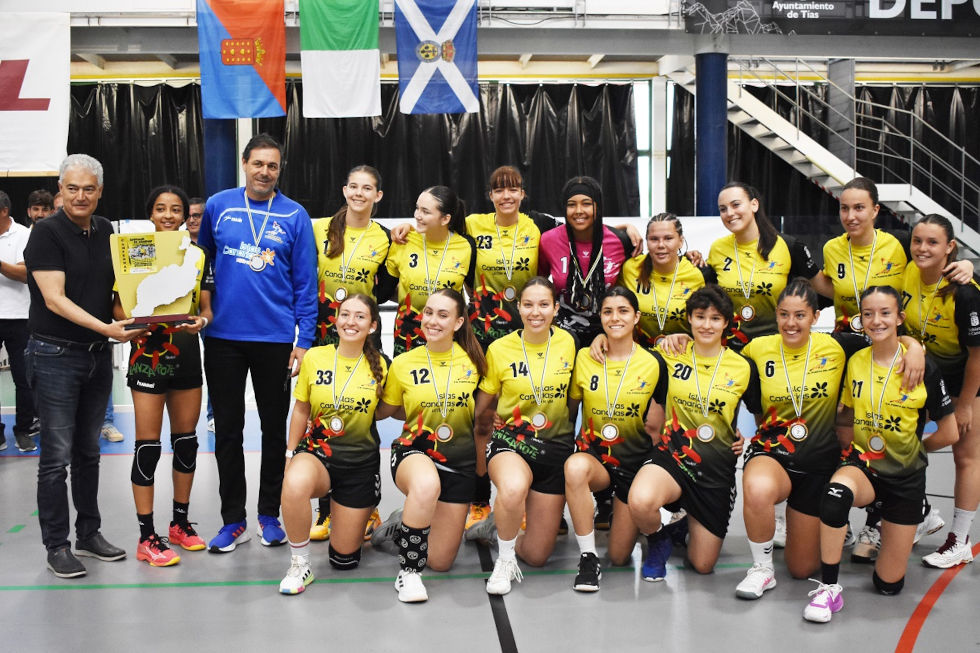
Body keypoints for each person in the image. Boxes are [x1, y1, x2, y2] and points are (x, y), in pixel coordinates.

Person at [809, 178, 967, 559]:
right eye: (844, 208)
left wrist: (963, 265)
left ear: (876, 210)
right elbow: (828, 287)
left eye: (859, 207)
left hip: (894, 350)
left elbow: (929, 265)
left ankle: (887, 518)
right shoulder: (832, 249)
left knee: (893, 432)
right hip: (851, 350)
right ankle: (854, 517)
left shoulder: (898, 247)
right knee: (845, 433)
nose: (851, 215)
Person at [803, 285, 958, 623]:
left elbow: (950, 433)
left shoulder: (923, 368)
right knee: (835, 495)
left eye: (885, 313)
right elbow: (846, 416)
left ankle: (907, 521)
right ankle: (828, 589)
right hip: (864, 467)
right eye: (868, 314)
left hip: (905, 478)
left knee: (888, 584)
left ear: (900, 318)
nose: (876, 320)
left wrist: (913, 451)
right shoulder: (856, 361)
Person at [24, 153, 144, 578]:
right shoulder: (46, 233)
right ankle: (56, 545)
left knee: (89, 453)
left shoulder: (106, 229)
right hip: (54, 355)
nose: (80, 196)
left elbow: (118, 287)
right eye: (72, 188)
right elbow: (54, 299)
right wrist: (107, 328)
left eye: (88, 189)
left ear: (100, 192)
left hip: (95, 356)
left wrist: (141, 315)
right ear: (61, 190)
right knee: (56, 458)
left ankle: (89, 534)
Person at [197, 133, 318, 553]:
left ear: (279, 170)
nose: (265, 172)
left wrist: (304, 339)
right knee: (228, 430)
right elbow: (200, 266)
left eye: (272, 165)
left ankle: (269, 514)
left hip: (275, 340)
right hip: (223, 338)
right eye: (258, 163)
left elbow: (305, 282)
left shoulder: (295, 215)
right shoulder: (219, 206)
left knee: (273, 431)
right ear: (245, 163)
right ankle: (233, 520)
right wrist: (201, 312)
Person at [628, 285, 761, 582]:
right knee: (640, 500)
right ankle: (659, 538)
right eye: (700, 317)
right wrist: (601, 338)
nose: (706, 325)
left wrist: (746, 440)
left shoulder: (743, 367)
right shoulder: (669, 355)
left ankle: (682, 522)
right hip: (673, 458)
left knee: (702, 565)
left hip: (715, 472)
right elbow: (626, 352)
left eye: (715, 319)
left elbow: (760, 416)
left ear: (726, 323)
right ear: (689, 318)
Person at [113, 186, 213, 567]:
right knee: (148, 447)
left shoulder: (198, 255)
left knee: (186, 443)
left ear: (186, 215)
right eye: (161, 209)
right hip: (147, 357)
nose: (169, 215)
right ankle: (146, 536)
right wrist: (137, 316)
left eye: (176, 209)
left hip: (186, 357)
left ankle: (180, 524)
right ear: (150, 214)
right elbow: (118, 306)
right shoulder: (134, 251)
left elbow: (206, 309)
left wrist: (201, 322)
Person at [735, 278, 847, 599]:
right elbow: (714, 357)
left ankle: (799, 523)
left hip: (817, 465)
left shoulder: (837, 347)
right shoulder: (757, 349)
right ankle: (762, 569)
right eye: (784, 314)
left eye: (800, 315)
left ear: (815, 317)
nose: (790, 323)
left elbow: (886, 339)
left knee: (801, 569)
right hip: (773, 454)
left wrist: (914, 349)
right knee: (758, 488)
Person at [372, 288, 486, 602]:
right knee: (425, 485)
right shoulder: (403, 363)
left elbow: (487, 412)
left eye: (443, 315)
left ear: (459, 322)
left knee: (440, 561)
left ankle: (403, 524)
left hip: (459, 464)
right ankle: (409, 573)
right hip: (414, 451)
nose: (432, 320)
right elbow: (387, 410)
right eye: (429, 312)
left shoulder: (476, 361)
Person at [469, 277, 577, 594]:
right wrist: (487, 427)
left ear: (555, 309)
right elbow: (482, 409)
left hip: (554, 449)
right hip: (511, 443)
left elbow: (573, 401)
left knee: (537, 555)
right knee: (513, 487)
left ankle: (497, 527)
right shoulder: (500, 349)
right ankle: (504, 562)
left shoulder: (569, 342)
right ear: (518, 307)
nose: (535, 312)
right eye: (528, 304)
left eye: (544, 304)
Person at [279, 294, 387, 594]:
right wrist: (290, 454)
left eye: (360, 316)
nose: (351, 322)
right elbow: (301, 409)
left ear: (372, 326)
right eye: (345, 314)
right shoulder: (315, 357)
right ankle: (299, 564)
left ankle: (378, 522)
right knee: (294, 482)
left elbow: (392, 408)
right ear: (336, 319)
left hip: (359, 465)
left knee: (344, 560)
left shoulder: (382, 365)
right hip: (318, 454)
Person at [308, 165, 395, 542]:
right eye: (353, 186)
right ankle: (326, 510)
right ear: (344, 190)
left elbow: (387, 288)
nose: (359, 193)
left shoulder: (386, 237)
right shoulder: (319, 229)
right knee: (322, 418)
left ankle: (367, 506)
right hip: (323, 335)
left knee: (363, 420)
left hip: (362, 338)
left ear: (378, 195)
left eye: (367, 188)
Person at [564, 286, 666, 592]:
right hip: (595, 459)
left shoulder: (654, 363)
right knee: (574, 468)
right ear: (600, 317)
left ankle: (652, 520)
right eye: (608, 311)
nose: (615, 318)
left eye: (623, 311)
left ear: (636, 317)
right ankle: (588, 557)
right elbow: (569, 413)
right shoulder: (585, 358)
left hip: (633, 465)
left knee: (620, 557)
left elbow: (660, 427)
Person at [901, 215, 980, 568]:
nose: (922, 248)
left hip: (966, 379)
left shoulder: (965, 293)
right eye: (917, 240)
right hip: (926, 376)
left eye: (932, 242)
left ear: (950, 247)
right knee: (904, 443)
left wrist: (965, 406)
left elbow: (978, 356)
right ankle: (923, 514)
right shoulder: (907, 271)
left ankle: (959, 541)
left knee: (966, 456)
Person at [705, 182, 820, 353]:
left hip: (777, 347)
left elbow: (822, 289)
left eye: (736, 205)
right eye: (723, 209)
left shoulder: (788, 246)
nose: (729, 213)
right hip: (732, 348)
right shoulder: (717, 249)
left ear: (754, 205)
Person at [537, 176, 633, 348]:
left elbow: (641, 277)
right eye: (571, 204)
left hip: (609, 335)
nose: (579, 210)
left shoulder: (620, 241)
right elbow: (539, 285)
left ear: (598, 206)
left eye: (586, 204)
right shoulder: (549, 240)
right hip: (563, 336)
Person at [385, 186, 475, 356]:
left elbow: (473, 293)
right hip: (407, 334)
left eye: (425, 211)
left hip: (449, 334)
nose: (417, 215)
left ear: (445, 219)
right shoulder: (403, 241)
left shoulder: (466, 246)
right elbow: (384, 292)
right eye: (417, 208)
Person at [0, 191, 37, 452]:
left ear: (4, 211)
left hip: (19, 317)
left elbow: (25, 274)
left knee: (23, 379)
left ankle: (23, 430)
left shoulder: (24, 234)